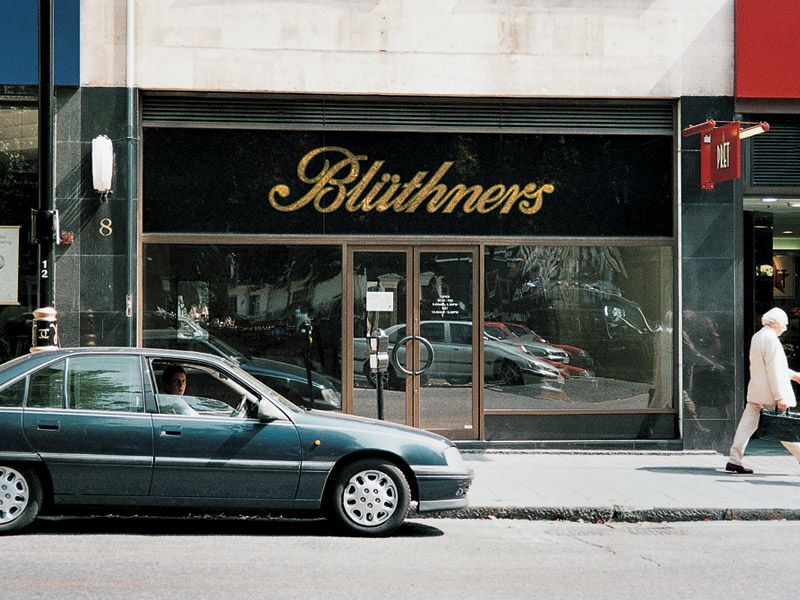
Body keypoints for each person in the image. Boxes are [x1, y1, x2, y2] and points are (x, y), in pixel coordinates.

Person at [726, 307, 800, 474]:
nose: (786, 327)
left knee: (745, 427)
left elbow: (769, 367)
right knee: (785, 429)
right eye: (785, 323)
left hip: (756, 392)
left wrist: (794, 376)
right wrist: (780, 397)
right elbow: (774, 369)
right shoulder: (772, 340)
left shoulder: (758, 336)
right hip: (770, 394)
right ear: (777, 323)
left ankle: (734, 459)